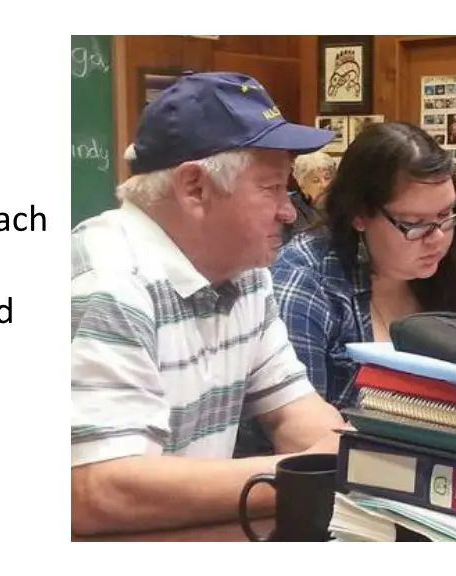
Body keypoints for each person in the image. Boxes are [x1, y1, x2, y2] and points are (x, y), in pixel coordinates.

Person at [70, 72, 350, 535]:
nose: (288, 210)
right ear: (195, 188)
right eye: (272, 188)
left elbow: (295, 412)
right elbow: (100, 489)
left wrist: (341, 458)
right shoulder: (109, 280)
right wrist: (308, 475)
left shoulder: (246, 273)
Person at [271, 121, 456, 410]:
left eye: (447, 214)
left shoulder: (448, 271)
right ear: (359, 215)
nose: (437, 237)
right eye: (414, 224)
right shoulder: (306, 283)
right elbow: (300, 431)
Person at [283, 150, 336, 243]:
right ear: (302, 186)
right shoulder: (290, 211)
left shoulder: (342, 206)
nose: (324, 185)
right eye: (316, 180)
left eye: (327, 178)